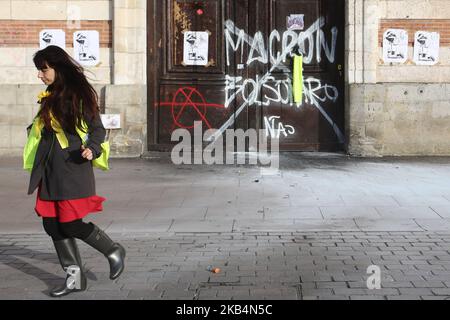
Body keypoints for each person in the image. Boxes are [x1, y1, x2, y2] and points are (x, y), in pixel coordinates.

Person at [24, 45, 126, 297]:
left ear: (58, 68)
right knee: (51, 224)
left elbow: (98, 130)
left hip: (72, 167)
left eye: (43, 69)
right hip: (49, 168)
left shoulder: (80, 95)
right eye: (39, 70)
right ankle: (74, 278)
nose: (40, 75)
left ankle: (113, 250)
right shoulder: (49, 93)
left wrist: (93, 148)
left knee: (69, 224)